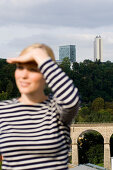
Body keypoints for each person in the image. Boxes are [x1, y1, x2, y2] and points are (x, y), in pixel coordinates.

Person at [0, 43, 80, 170]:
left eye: (33, 69)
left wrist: (40, 56)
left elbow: (70, 100)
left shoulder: (56, 110)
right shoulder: (3, 110)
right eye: (20, 67)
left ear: (47, 75)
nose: (24, 75)